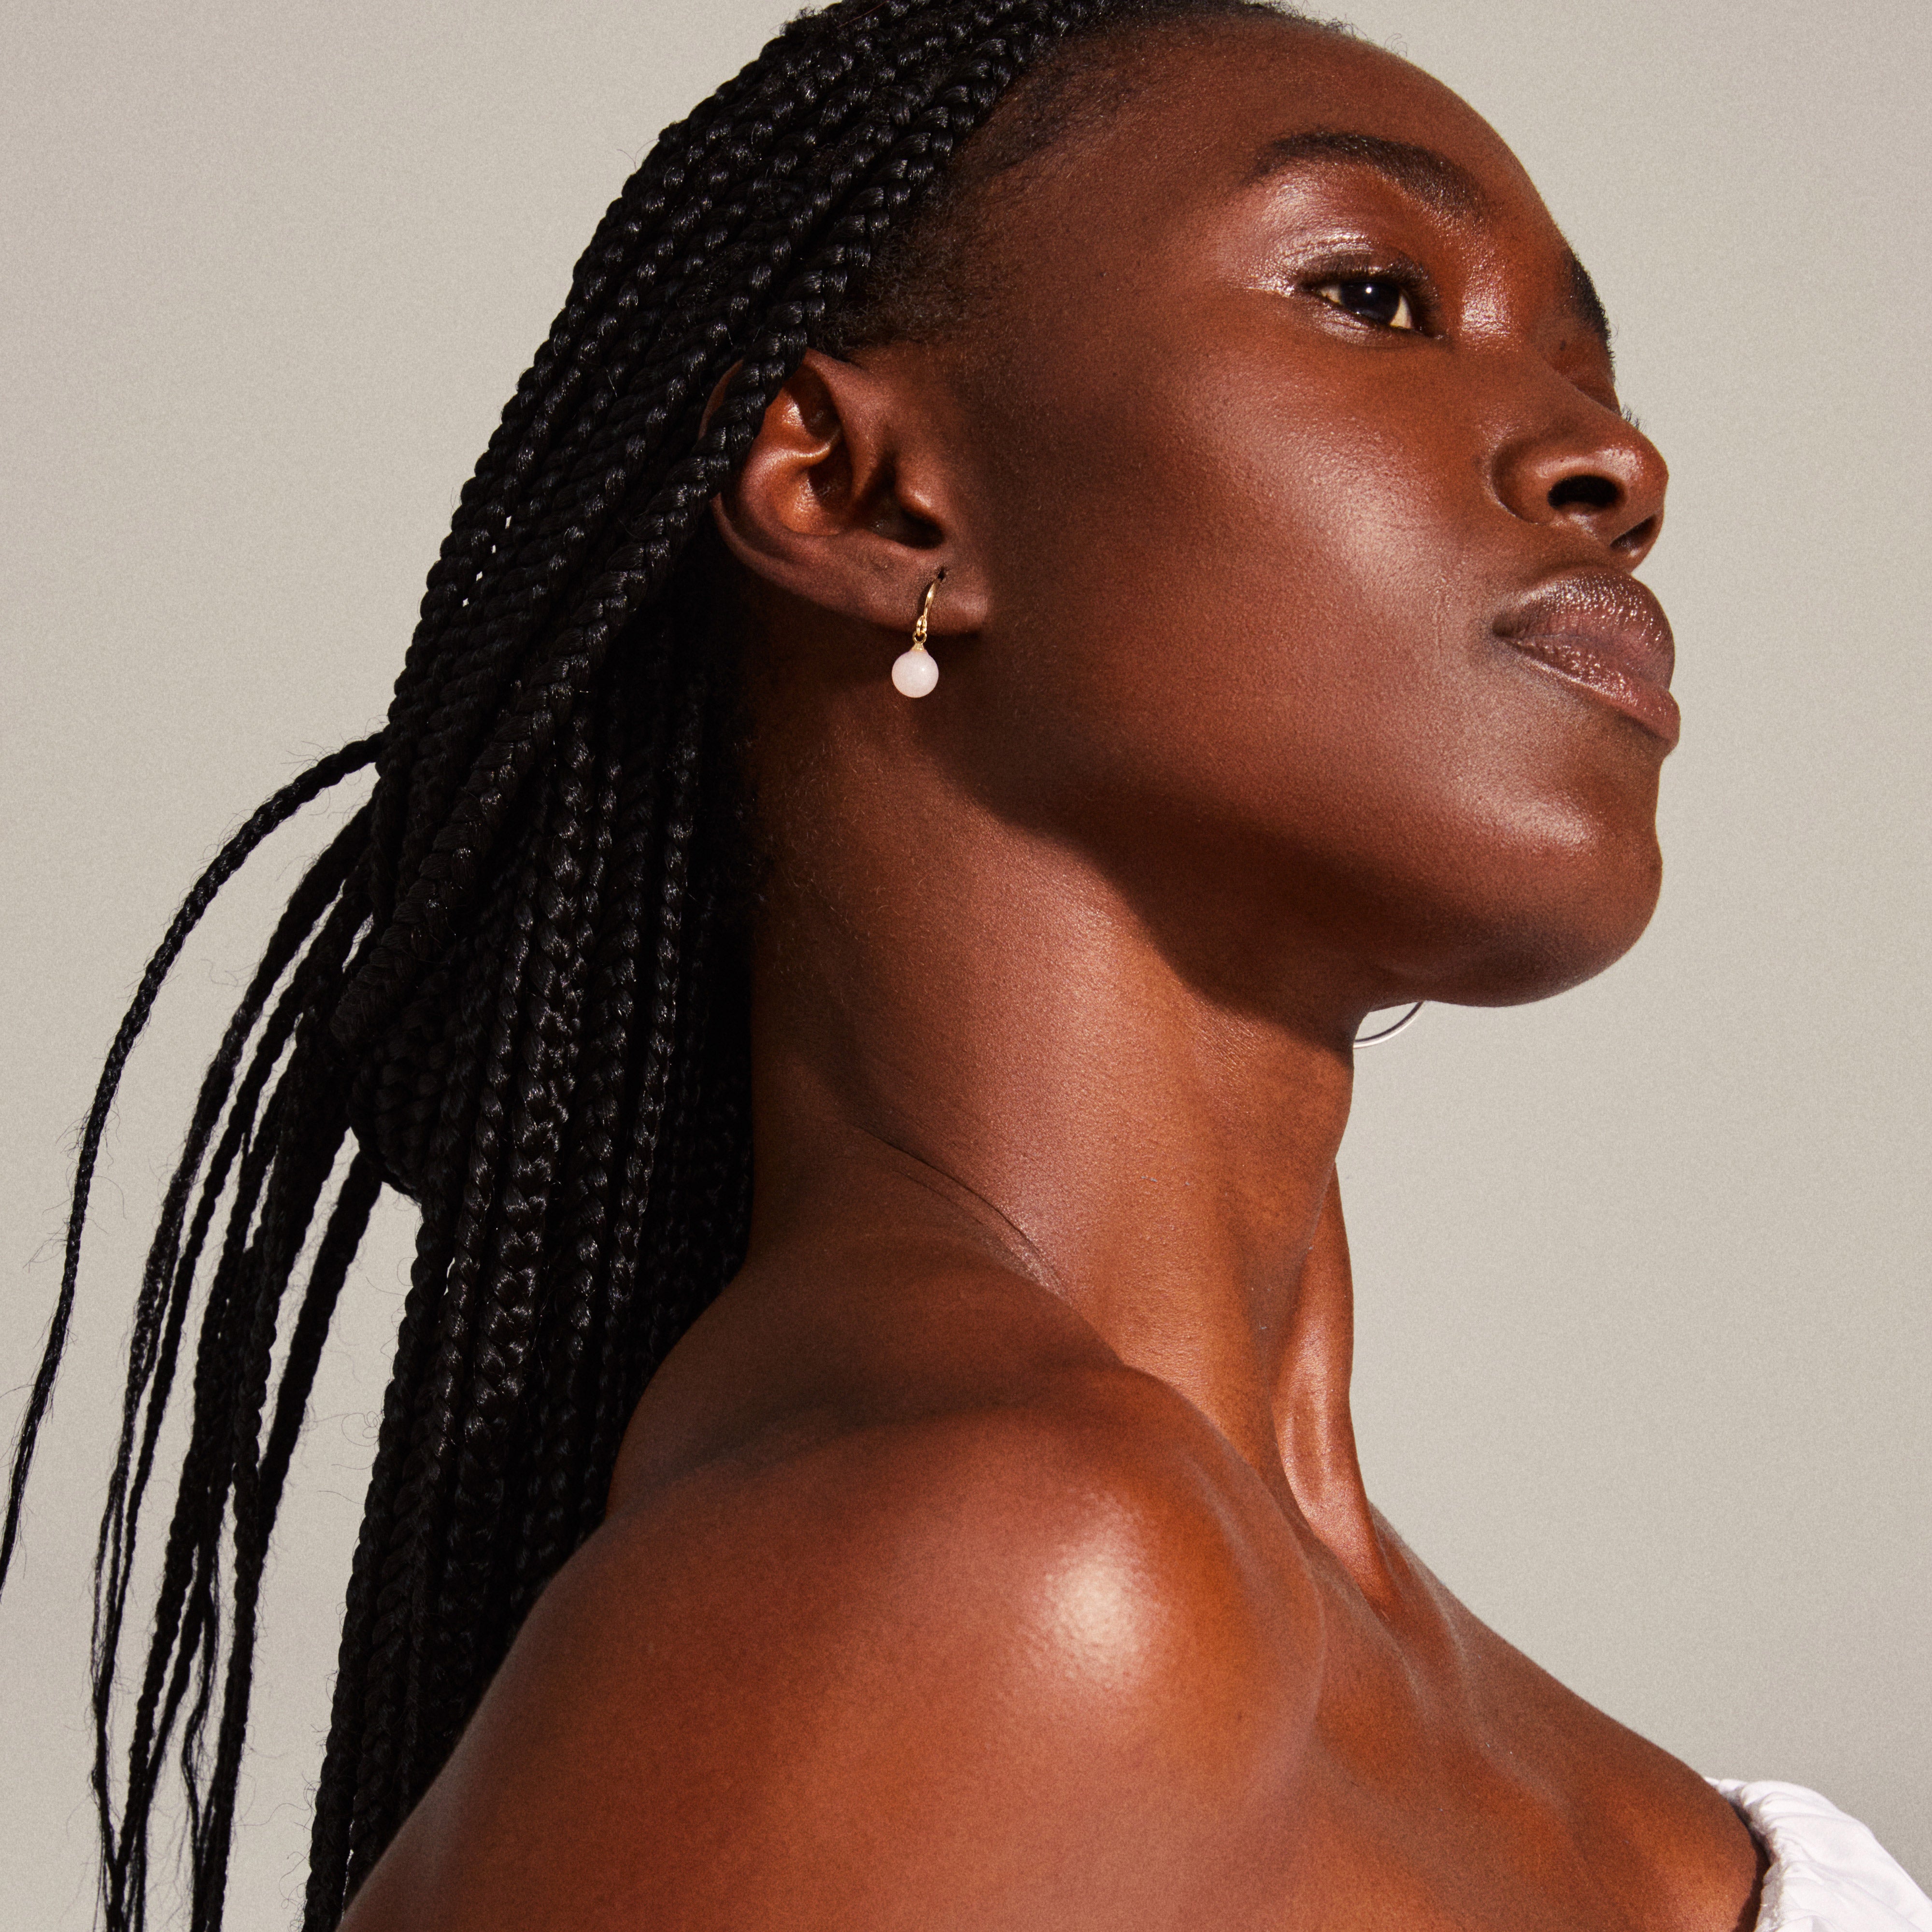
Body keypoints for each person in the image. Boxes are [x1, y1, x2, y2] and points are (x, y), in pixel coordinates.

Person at [2, 0, 1925, 1927]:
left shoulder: (1235, 1636)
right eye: (1371, 296)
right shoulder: (1005, 1578)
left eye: (1590, 366)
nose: (1615, 461)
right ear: (866, 494)